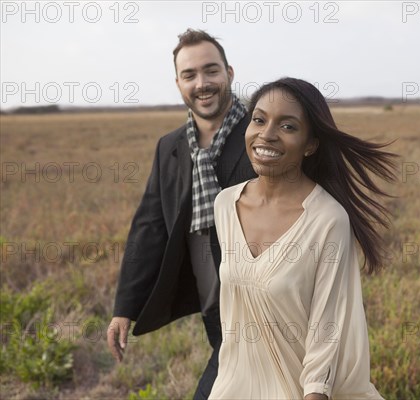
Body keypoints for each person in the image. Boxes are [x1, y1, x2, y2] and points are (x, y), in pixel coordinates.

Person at [209, 78, 397, 399]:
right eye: (259, 119)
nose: (266, 134)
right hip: (232, 386)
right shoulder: (225, 204)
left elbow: (327, 333)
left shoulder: (328, 220)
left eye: (288, 126)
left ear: (310, 144)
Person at [106, 29, 256, 399]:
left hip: (267, 302)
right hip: (214, 306)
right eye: (190, 75)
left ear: (230, 73)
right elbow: (149, 226)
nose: (202, 83)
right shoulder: (170, 148)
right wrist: (124, 307)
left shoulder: (259, 132)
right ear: (178, 83)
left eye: (211, 71)